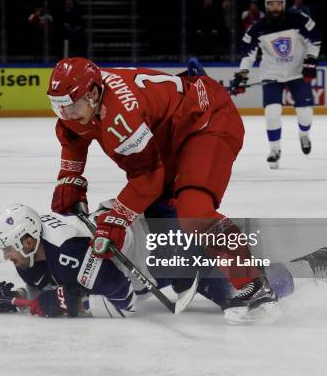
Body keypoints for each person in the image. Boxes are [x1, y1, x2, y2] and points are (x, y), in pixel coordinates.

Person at [44, 56, 282, 322]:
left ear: (94, 93)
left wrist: (117, 219)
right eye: (59, 107)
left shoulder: (121, 113)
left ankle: (254, 281)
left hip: (207, 120)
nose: (66, 115)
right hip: (170, 130)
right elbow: (75, 135)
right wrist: (70, 176)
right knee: (162, 214)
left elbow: (148, 178)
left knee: (194, 211)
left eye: (72, 106)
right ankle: (200, 269)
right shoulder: (83, 102)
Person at [0, 203, 327, 321]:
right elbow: (48, 284)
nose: (6, 256)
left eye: (10, 247)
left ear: (29, 239)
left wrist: (70, 305)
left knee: (239, 296)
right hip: (150, 241)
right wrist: (11, 298)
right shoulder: (37, 248)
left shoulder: (68, 252)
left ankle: (316, 263)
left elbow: (125, 302)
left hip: (164, 249)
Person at [229, 0, 321, 169]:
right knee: (272, 113)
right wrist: (242, 74)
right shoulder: (258, 27)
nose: (275, 7)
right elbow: (248, 53)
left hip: (297, 72)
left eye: (279, 3)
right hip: (271, 74)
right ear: (267, 5)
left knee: (305, 113)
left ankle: (304, 135)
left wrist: (310, 62)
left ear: (284, 4)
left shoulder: (299, 20)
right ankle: (274, 150)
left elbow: (315, 39)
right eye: (272, 4)